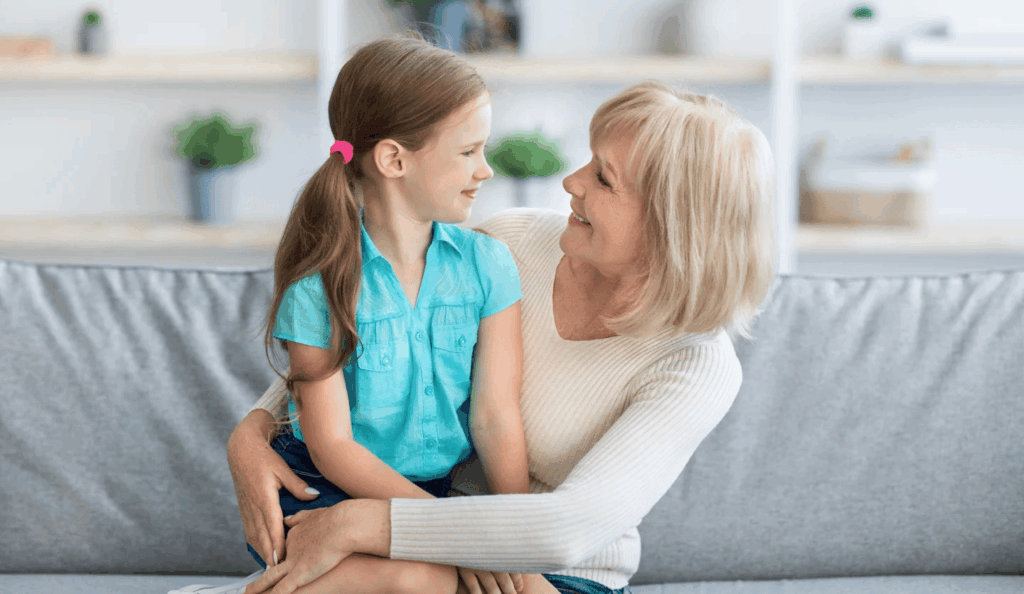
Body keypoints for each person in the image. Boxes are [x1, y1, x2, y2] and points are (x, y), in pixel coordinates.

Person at [229, 78, 776, 594]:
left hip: (549, 576)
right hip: (426, 539)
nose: (571, 181)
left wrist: (362, 522)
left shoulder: (696, 366)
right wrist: (251, 433)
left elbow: (568, 530)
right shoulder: (512, 244)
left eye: (604, 178)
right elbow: (367, 336)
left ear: (671, 225)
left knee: (405, 584)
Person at [231, 33, 533, 594]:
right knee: (424, 581)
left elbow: (496, 416)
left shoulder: (488, 265)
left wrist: (512, 538)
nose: (485, 169)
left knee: (477, 583)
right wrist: (448, 531)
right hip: (319, 492)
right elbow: (333, 446)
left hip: (429, 492)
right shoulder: (319, 286)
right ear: (394, 158)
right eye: (468, 152)